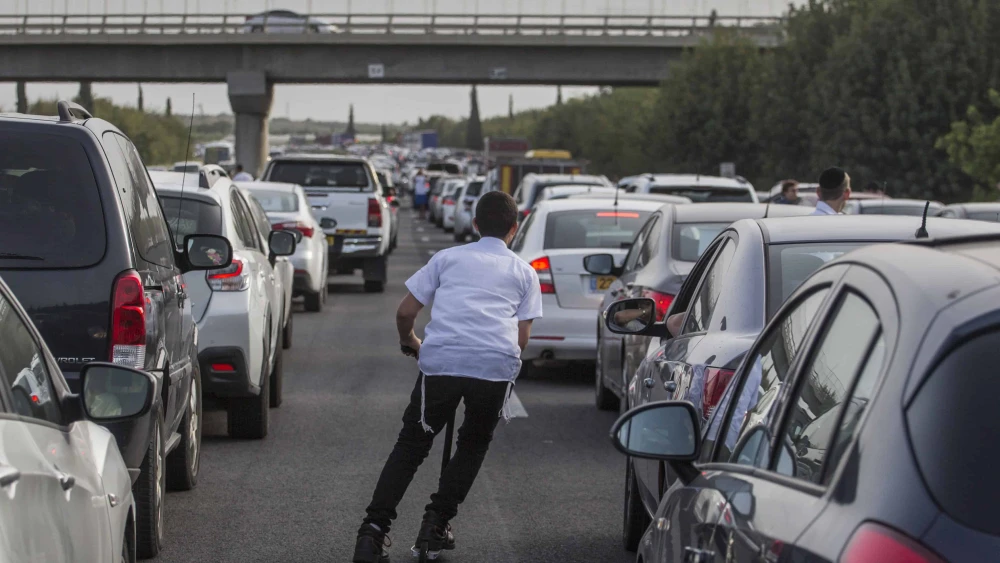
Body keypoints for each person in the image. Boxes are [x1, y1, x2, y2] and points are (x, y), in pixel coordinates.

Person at [352, 191, 542, 563]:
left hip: (442, 361)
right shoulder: (524, 272)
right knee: (473, 443)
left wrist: (411, 342)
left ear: (475, 223)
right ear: (515, 229)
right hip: (493, 365)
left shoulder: (447, 258)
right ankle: (437, 522)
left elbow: (405, 313)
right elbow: (522, 339)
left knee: (411, 446)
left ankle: (372, 532)